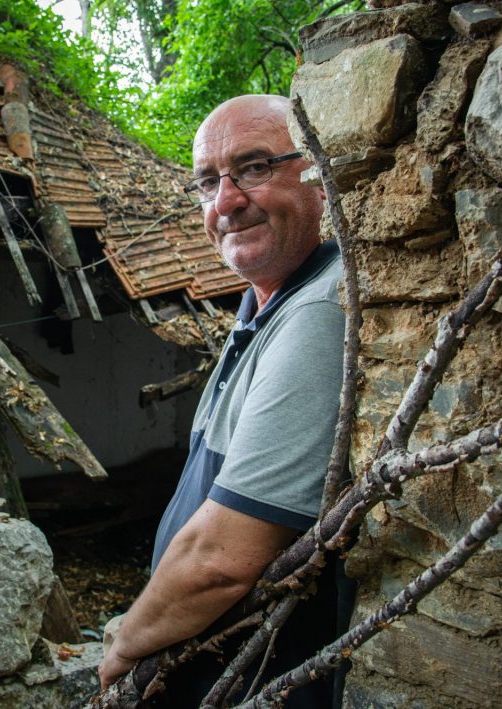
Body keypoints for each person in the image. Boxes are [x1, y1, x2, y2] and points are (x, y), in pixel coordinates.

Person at [98, 94, 347, 708]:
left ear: (317, 173)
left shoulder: (317, 310)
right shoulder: (265, 305)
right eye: (208, 183)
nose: (227, 202)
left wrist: (127, 642)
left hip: (259, 682)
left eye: (256, 167)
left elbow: (221, 558)